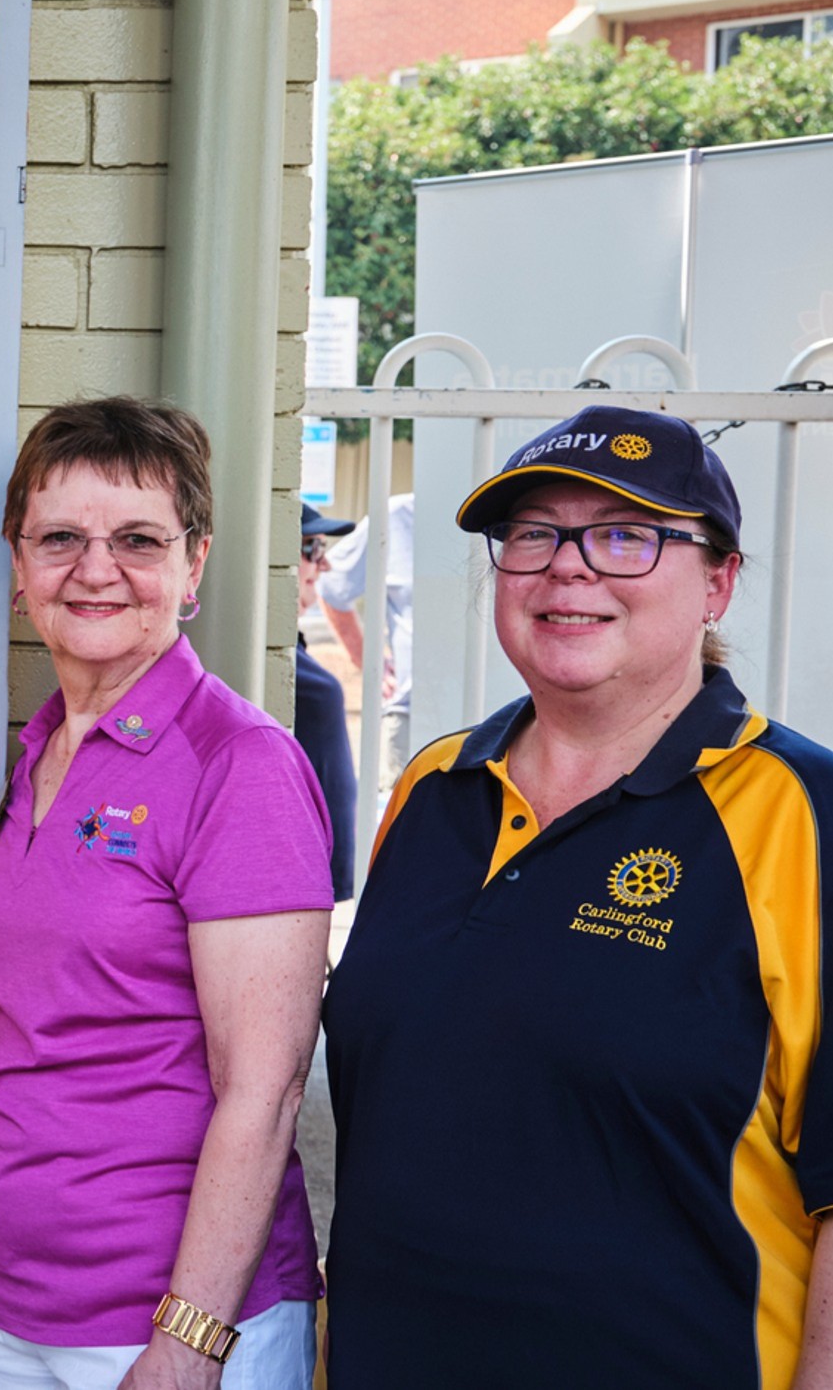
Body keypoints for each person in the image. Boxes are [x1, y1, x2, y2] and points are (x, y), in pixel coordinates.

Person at [325, 407, 833, 1389]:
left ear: (718, 581)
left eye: (626, 534)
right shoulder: (431, 788)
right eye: (532, 534)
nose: (568, 565)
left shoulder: (804, 813)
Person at [0, 397, 332, 1389]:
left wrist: (188, 1338)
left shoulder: (237, 762)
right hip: (0, 1302)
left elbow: (265, 1086)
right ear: (18, 559)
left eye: (136, 538)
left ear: (193, 562)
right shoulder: (32, 750)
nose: (94, 567)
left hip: (163, 1325)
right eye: (59, 537)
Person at [320, 490, 412, 783]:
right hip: (411, 714)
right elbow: (332, 585)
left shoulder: (508, 510)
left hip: (509, 712)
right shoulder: (396, 516)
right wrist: (370, 661)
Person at [296, 505, 359, 901]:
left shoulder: (293, 649)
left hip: (312, 885)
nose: (324, 565)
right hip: (292, 882)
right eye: (312, 548)